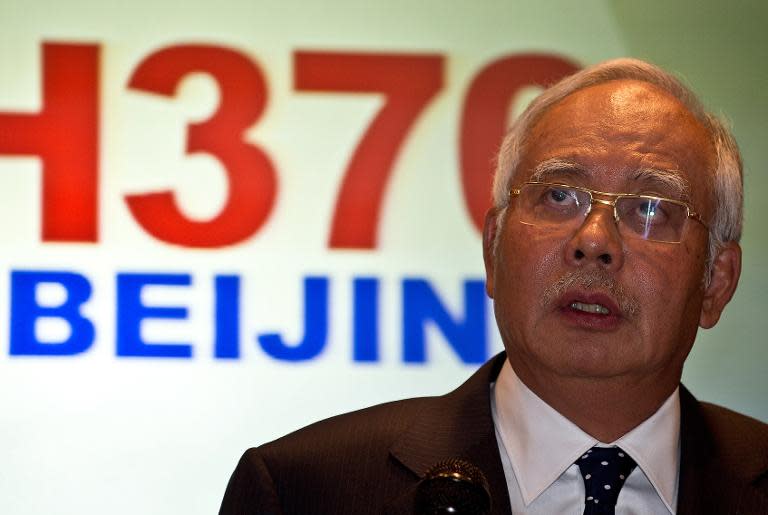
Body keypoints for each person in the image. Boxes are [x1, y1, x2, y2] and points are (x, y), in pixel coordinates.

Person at [219, 58, 768, 515]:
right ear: (492, 249)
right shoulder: (305, 491)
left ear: (717, 280)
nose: (595, 241)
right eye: (558, 195)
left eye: (650, 208)